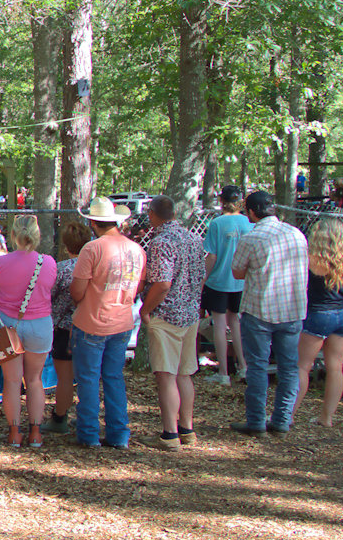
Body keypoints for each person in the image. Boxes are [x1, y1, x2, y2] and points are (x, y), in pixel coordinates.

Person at [229, 191, 308, 436]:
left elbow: (237, 272)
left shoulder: (252, 238)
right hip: (292, 309)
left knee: (258, 367)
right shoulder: (296, 234)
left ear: (251, 212)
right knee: (288, 368)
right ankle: (282, 420)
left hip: (260, 310)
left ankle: (256, 421)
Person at [70, 197, 143, 449]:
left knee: (89, 380)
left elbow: (77, 290)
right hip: (122, 320)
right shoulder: (136, 249)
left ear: (93, 222)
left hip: (92, 320)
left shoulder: (92, 249)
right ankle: (119, 434)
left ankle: (89, 435)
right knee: (114, 377)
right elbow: (139, 286)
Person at [139, 195, 207, 451]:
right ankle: (187, 429)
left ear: (153, 215)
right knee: (184, 373)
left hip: (167, 315)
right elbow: (201, 276)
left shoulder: (161, 242)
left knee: (166, 376)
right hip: (190, 314)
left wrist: (146, 310)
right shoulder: (193, 239)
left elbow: (163, 283)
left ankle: (169, 433)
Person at [0, 215, 56, 448]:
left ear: (13, 235)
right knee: (35, 380)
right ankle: (36, 433)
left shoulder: (0, 263)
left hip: (10, 326)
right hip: (40, 324)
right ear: (37, 235)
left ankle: (13, 433)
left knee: (11, 381)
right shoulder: (48, 262)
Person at [293, 219, 343, 427]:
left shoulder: (310, 260)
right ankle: (326, 418)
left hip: (318, 314)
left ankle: (288, 415)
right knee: (335, 368)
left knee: (302, 367)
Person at [41, 221, 92, 435]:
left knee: (65, 377)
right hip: (92, 325)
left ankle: (60, 417)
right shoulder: (96, 267)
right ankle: (86, 417)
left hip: (64, 329)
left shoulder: (61, 269)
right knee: (88, 376)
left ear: (66, 244)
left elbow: (49, 298)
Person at [200, 185, 254, 385]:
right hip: (240, 282)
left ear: (221, 201)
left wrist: (203, 277)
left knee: (220, 326)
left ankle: (223, 372)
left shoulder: (217, 223)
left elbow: (212, 255)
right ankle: (243, 367)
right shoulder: (249, 223)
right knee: (236, 323)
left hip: (219, 281)